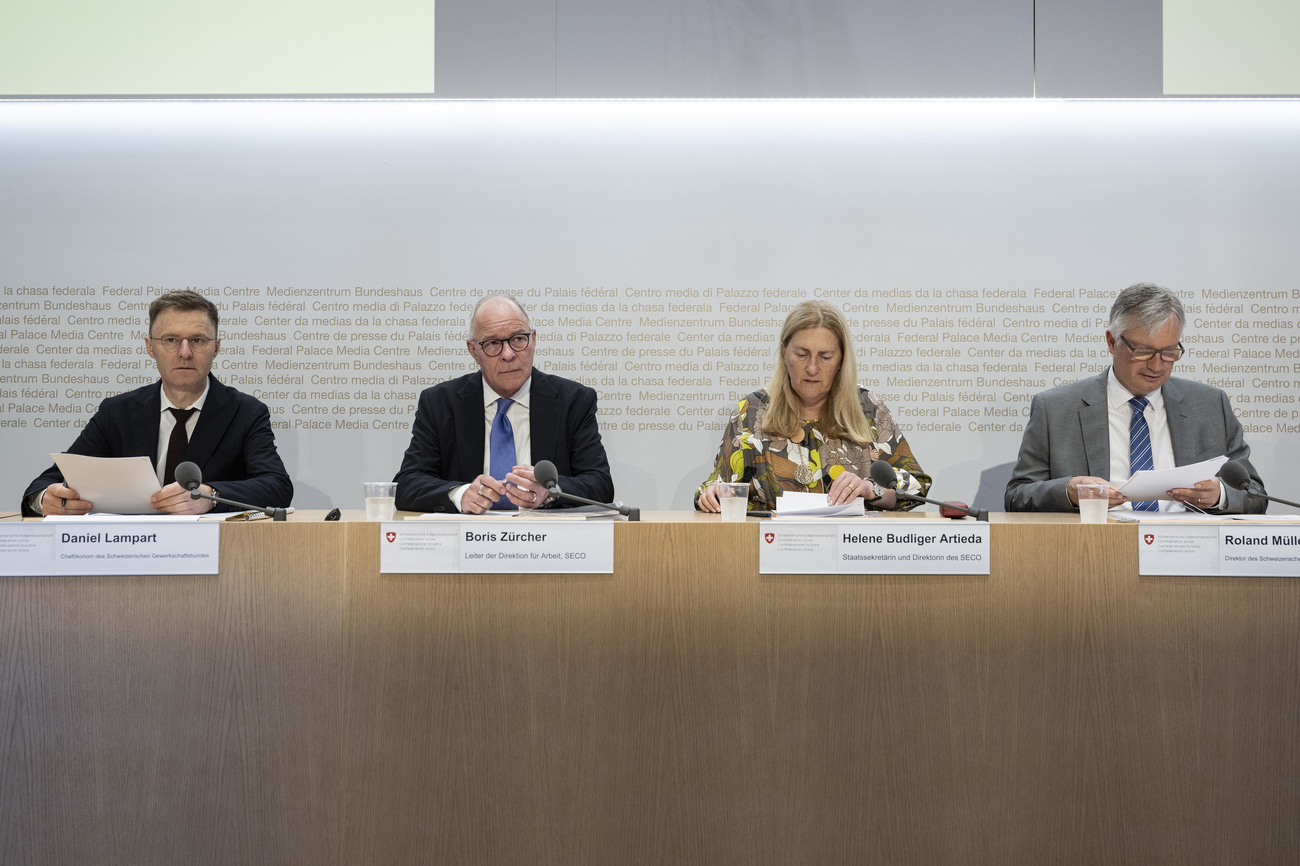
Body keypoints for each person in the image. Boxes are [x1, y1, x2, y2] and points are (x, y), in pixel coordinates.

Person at [22, 290, 293, 516]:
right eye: (171, 340)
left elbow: (277, 486)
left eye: (197, 340)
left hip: (215, 553)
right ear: (150, 347)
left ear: (216, 347)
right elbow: (46, 483)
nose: (185, 353)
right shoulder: (117, 412)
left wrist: (211, 496)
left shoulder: (245, 412)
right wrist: (44, 498)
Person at [1004, 282, 1265, 514]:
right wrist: (1069, 491)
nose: (1157, 365)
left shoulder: (1210, 404)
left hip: (1189, 549)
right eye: (1143, 351)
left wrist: (1219, 495)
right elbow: (1017, 496)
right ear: (1111, 341)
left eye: (1169, 352)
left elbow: (1255, 495)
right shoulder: (1055, 408)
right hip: (1098, 546)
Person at [696, 299, 931, 512]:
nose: (812, 368)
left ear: (841, 360)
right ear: (784, 353)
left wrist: (872, 491)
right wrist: (711, 495)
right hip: (773, 548)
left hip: (853, 550)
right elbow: (719, 486)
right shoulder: (752, 410)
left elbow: (916, 487)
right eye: (801, 354)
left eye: (825, 357)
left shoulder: (867, 407)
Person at [394, 292, 614, 514]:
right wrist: (461, 494)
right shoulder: (440, 403)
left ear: (533, 339)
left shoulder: (574, 401)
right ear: (474, 351)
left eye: (518, 339)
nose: (508, 354)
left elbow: (600, 484)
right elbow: (408, 484)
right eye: (493, 343)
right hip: (468, 539)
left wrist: (549, 493)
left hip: (547, 539)